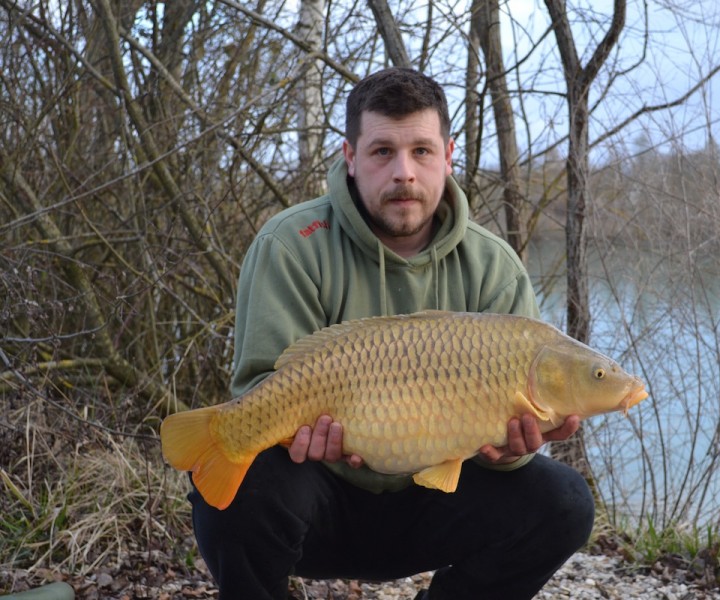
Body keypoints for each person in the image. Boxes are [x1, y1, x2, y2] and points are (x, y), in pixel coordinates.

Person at [190, 67, 595, 600]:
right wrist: (301, 438)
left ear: (448, 156)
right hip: (319, 499)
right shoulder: (290, 244)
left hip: (433, 505)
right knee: (236, 483)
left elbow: (510, 452)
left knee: (564, 500)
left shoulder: (493, 266)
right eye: (383, 151)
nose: (404, 172)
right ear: (350, 158)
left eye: (422, 151)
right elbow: (260, 388)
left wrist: (512, 450)